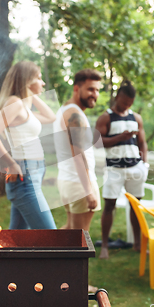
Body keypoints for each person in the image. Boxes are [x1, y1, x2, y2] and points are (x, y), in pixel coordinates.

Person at [0, 61, 57, 230]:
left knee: (18, 240)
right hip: (25, 175)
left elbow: (50, 116)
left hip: (33, 172)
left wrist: (31, 93)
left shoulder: (22, 106)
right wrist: (11, 164)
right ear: (26, 81)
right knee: (52, 238)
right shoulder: (14, 104)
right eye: (38, 78)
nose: (43, 83)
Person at [94, 80, 148, 259]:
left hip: (135, 168)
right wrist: (120, 137)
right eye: (125, 102)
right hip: (114, 169)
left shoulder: (136, 118)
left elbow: (142, 143)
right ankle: (105, 246)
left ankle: (138, 243)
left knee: (136, 206)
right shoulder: (106, 117)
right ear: (118, 97)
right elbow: (97, 143)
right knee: (110, 205)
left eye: (130, 104)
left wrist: (144, 164)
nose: (127, 106)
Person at [54, 69, 103, 232]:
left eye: (97, 90)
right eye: (90, 89)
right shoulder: (76, 115)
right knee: (80, 242)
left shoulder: (65, 110)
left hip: (67, 181)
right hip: (79, 185)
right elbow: (78, 155)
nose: (94, 94)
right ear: (76, 89)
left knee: (69, 231)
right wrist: (88, 191)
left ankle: (49, 256)